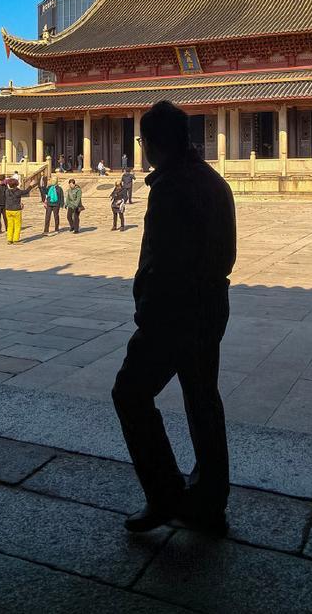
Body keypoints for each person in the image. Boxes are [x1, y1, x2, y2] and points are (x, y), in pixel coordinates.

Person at [111, 100, 236, 535]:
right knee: (203, 400)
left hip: (174, 311)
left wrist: (147, 310)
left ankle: (164, 495)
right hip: (211, 304)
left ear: (150, 143)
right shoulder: (213, 181)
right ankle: (209, 501)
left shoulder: (171, 186)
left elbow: (162, 262)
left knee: (130, 393)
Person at [3, 176, 26, 244]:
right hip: (16, 210)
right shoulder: (18, 191)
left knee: (10, 225)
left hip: (8, 210)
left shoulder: (7, 191)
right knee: (17, 225)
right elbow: (26, 191)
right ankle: (15, 239)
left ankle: (9, 239)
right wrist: (31, 185)